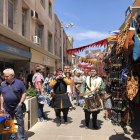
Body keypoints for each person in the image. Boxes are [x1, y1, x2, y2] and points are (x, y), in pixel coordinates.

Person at [1, 68, 27, 140]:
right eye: (4, 76)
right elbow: (2, 96)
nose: (5, 78)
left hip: (17, 107)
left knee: (20, 123)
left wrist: (20, 104)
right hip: (7, 108)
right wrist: (1, 106)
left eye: (7, 76)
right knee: (8, 124)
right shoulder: (3, 84)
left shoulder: (19, 83)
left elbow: (24, 93)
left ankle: (21, 137)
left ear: (12, 75)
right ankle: (11, 138)